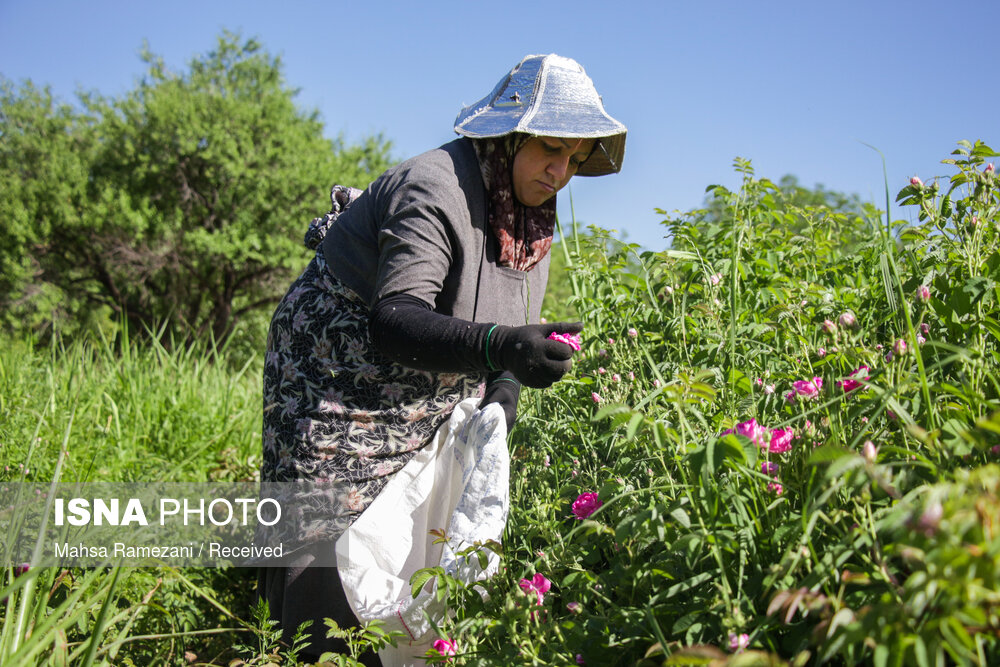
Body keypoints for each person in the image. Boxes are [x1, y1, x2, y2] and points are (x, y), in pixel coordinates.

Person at [256, 53, 626, 664]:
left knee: (406, 516)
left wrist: (503, 395)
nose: (560, 171)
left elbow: (510, 329)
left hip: (425, 369)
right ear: (509, 138)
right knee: (323, 519)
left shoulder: (530, 218)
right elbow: (397, 318)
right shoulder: (435, 186)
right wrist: (501, 348)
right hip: (335, 367)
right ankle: (302, 649)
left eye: (575, 159)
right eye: (550, 150)